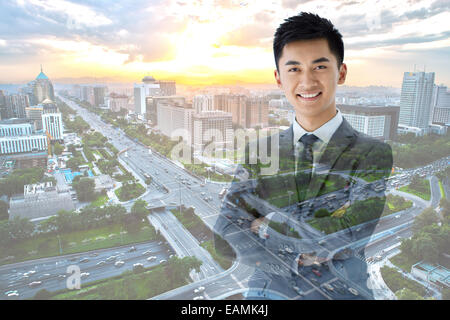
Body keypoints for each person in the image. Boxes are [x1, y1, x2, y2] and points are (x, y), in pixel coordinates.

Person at [213, 12, 393, 300]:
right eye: (294, 69)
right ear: (278, 78)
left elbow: (349, 235)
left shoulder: (372, 153)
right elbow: (225, 232)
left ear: (341, 72)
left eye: (319, 66)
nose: (307, 82)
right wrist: (295, 255)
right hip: (266, 294)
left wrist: (265, 225)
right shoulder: (260, 152)